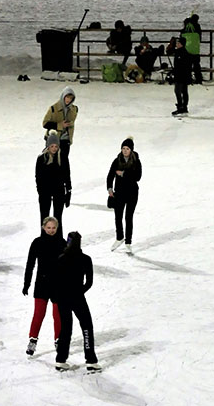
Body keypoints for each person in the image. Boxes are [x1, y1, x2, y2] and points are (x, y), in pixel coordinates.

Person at [52, 231, 100, 372]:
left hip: (62, 298)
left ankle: (60, 360)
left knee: (65, 328)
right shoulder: (85, 259)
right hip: (77, 297)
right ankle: (90, 360)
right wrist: (79, 291)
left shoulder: (61, 258)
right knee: (86, 326)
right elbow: (89, 282)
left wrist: (58, 296)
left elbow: (55, 281)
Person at [23, 217, 66, 356]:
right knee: (39, 314)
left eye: (54, 228)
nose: (51, 230)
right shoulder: (37, 242)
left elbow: (68, 266)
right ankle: (33, 340)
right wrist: (26, 283)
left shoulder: (62, 243)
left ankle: (58, 340)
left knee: (58, 315)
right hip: (41, 284)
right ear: (43, 227)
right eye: (49, 228)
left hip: (58, 284)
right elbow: (30, 264)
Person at [107, 137, 142, 254]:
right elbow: (110, 176)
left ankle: (128, 242)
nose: (125, 151)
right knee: (118, 216)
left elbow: (138, 176)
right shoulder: (117, 160)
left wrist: (124, 174)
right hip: (120, 193)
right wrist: (110, 188)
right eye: (123, 148)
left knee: (128, 217)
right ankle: (119, 237)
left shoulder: (136, 160)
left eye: (127, 149)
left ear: (131, 150)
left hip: (132, 193)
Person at [35, 130, 71, 232]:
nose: (54, 149)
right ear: (48, 146)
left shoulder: (63, 157)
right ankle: (44, 242)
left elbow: (67, 175)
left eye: (56, 146)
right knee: (44, 218)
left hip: (59, 191)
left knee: (58, 218)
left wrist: (68, 191)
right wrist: (41, 192)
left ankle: (58, 242)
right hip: (45, 192)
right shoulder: (41, 158)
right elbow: (38, 177)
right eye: (52, 146)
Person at [42, 86, 78, 167]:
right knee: (51, 162)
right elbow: (45, 124)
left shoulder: (74, 109)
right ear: (63, 96)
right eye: (67, 97)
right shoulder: (53, 108)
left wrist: (70, 124)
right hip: (53, 139)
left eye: (71, 98)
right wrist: (60, 125)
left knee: (64, 163)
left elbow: (72, 121)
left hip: (66, 140)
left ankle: (65, 180)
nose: (68, 100)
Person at [172, 37, 193, 116]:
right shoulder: (179, 52)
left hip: (181, 75)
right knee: (183, 91)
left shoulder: (183, 53)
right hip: (182, 74)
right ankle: (183, 106)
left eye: (178, 43)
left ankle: (181, 106)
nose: (177, 45)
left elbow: (183, 65)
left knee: (179, 91)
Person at [180, 14, 203, 87]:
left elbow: (181, 37)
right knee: (196, 65)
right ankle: (199, 79)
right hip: (195, 49)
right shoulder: (197, 26)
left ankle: (188, 79)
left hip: (187, 49)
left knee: (187, 66)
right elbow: (200, 37)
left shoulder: (186, 28)